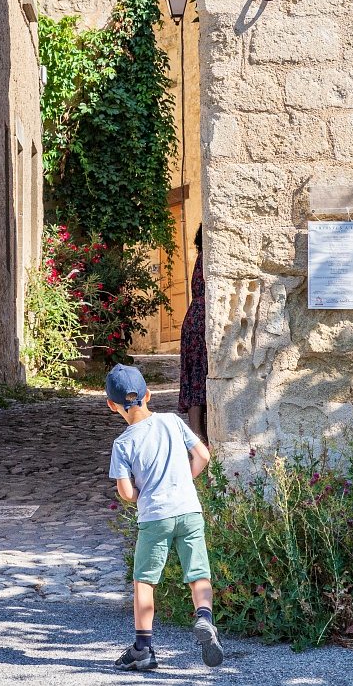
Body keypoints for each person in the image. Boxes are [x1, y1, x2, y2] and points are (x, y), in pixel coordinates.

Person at [106, 363, 223, 672]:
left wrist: (142, 495)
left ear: (111, 405)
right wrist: (184, 480)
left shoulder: (122, 444)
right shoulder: (172, 421)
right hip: (189, 510)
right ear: (148, 394)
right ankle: (204, 617)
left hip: (155, 517)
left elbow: (126, 492)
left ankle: (143, 649)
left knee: (145, 581)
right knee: (198, 573)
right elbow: (203, 455)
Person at [179, 225, 209, 444]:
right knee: (199, 376)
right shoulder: (210, 258)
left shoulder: (201, 256)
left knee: (194, 377)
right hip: (203, 320)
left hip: (194, 318)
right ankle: (199, 436)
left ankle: (198, 436)